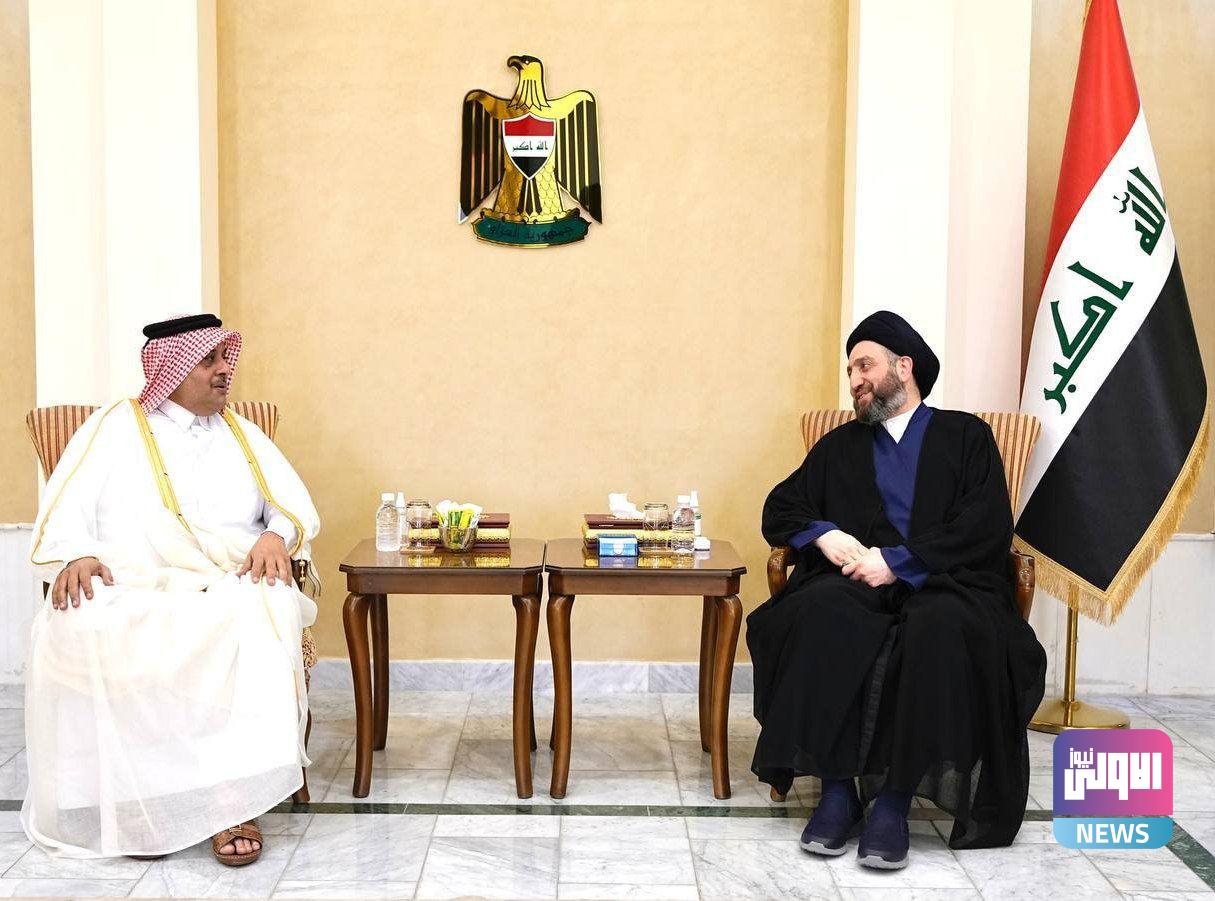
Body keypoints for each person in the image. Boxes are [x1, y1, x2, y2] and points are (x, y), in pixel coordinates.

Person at [747, 310, 1046, 869]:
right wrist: (825, 534)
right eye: (850, 370)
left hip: (944, 581)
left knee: (939, 626)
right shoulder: (840, 445)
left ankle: (893, 800)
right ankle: (838, 792)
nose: (854, 380)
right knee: (820, 611)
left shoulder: (966, 436)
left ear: (904, 367)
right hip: (857, 583)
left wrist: (899, 563)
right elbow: (780, 506)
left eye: (865, 365)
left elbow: (984, 526)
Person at [24, 313, 320, 865]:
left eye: (226, 359)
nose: (225, 371)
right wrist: (77, 553)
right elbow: (67, 503)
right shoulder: (114, 426)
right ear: (174, 368)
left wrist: (275, 536)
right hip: (133, 581)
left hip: (227, 580)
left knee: (266, 606)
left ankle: (233, 800)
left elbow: (290, 505)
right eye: (210, 360)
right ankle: (140, 799)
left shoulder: (241, 432)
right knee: (86, 616)